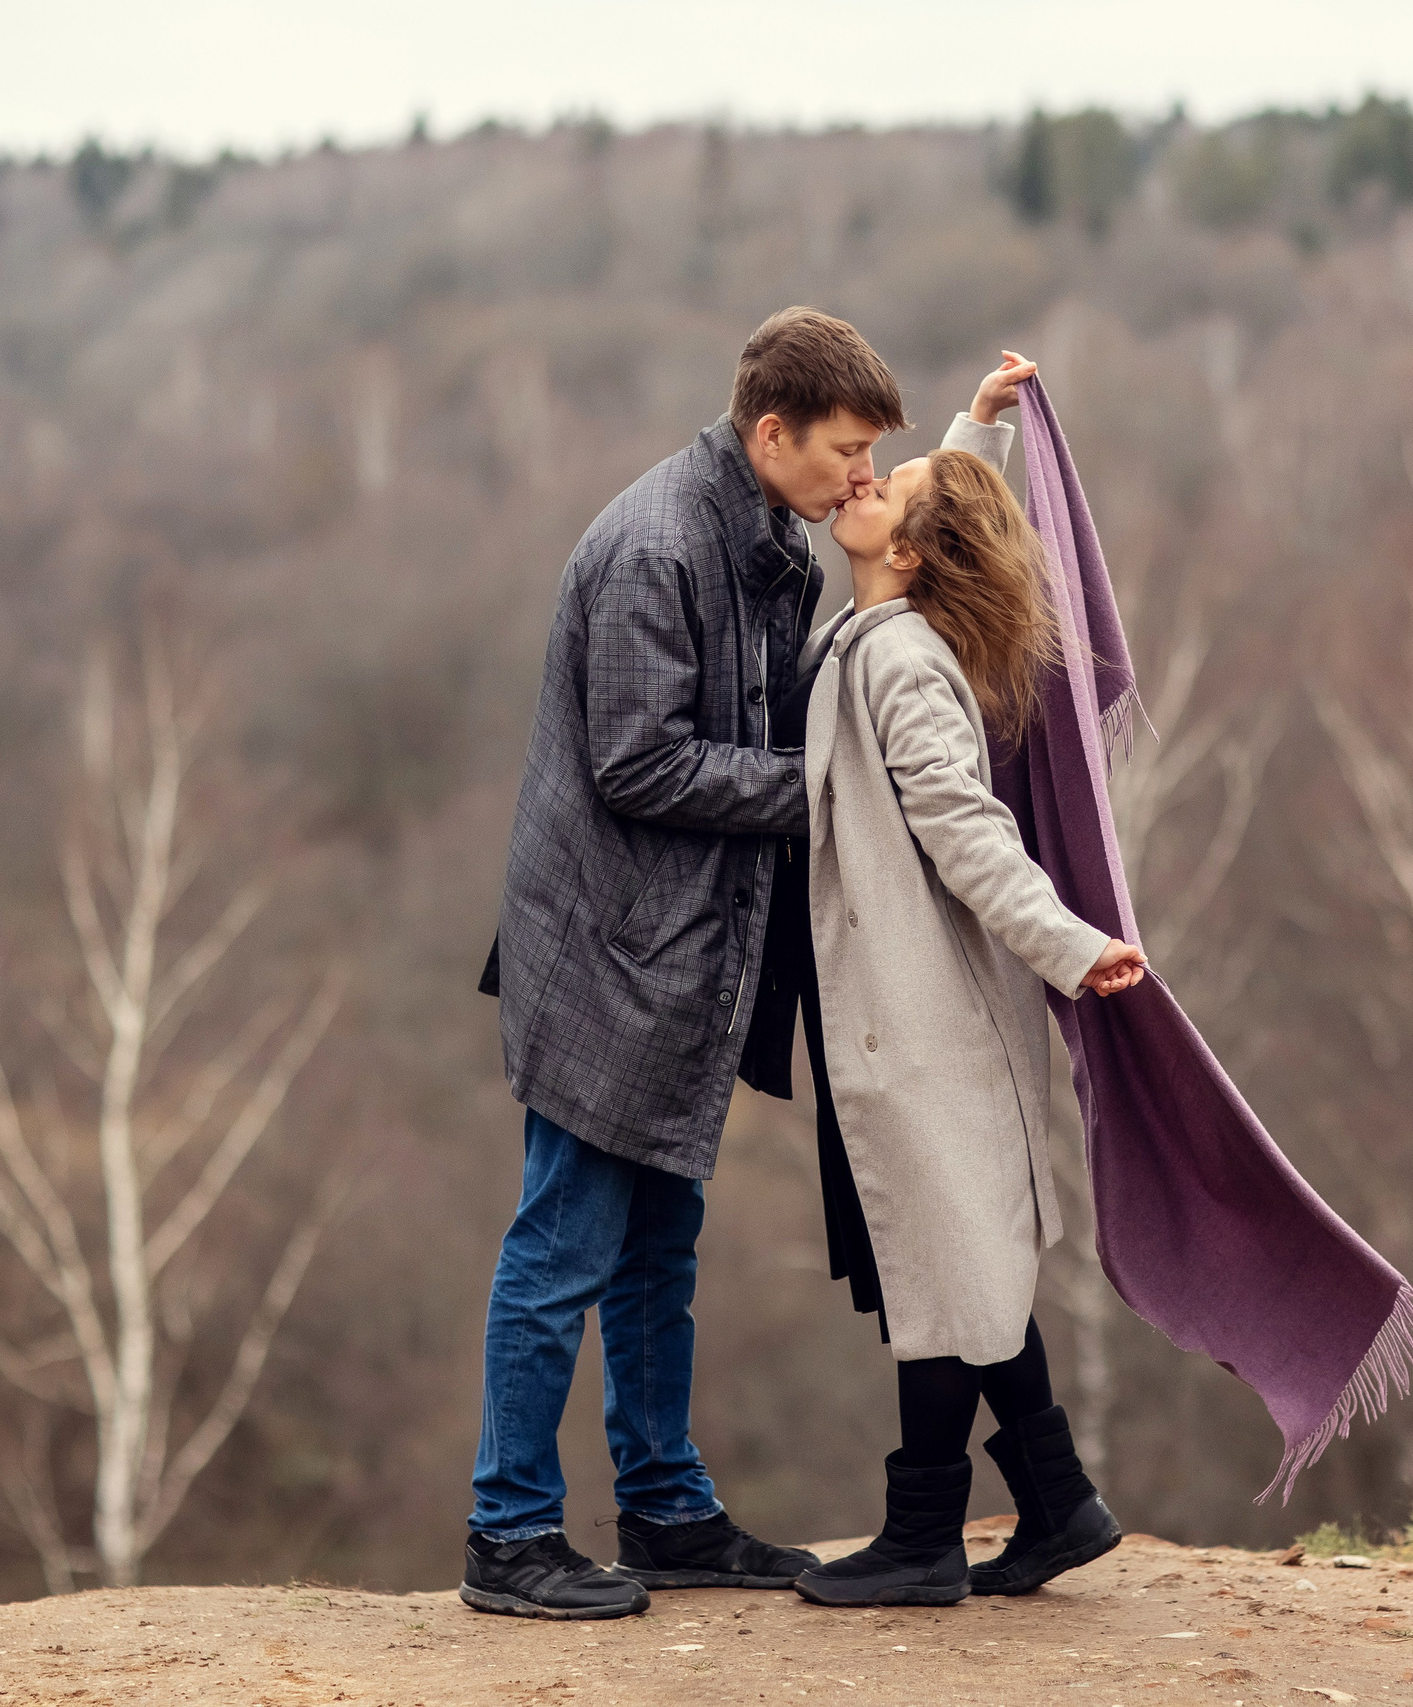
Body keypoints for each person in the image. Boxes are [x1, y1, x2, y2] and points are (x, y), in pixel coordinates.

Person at [466, 308, 1025, 1622]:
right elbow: (639, 759)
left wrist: (976, 431)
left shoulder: (765, 521)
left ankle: (665, 1510)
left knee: (660, 1252)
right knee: (561, 1248)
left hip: (682, 959)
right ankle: (509, 1531)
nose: (859, 477)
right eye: (845, 449)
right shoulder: (660, 544)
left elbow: (901, 551)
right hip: (609, 957)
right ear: (771, 434)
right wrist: (831, 787)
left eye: (872, 453)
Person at [784, 360, 1147, 1609]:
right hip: (908, 1013)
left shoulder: (897, 660)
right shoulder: (888, 627)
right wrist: (974, 429)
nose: (865, 481)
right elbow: (938, 520)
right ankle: (1052, 1505)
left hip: (929, 1018)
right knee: (955, 1266)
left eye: (897, 484)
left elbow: (965, 825)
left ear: (918, 551)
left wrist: (1069, 943)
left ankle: (928, 1536)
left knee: (945, 1271)